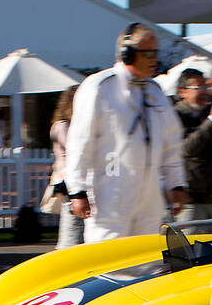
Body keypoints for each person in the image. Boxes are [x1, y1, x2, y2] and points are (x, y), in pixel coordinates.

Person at [64, 23, 186, 241]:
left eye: (156, 53)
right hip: (110, 194)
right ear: (127, 54)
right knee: (107, 263)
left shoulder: (155, 91)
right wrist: (77, 190)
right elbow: (80, 142)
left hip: (149, 198)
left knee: (146, 261)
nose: (154, 59)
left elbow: (172, 144)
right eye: (147, 53)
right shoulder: (100, 87)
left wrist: (176, 184)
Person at [172, 68, 212, 221]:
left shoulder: (209, 113)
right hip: (190, 200)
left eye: (206, 87)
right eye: (199, 88)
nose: (205, 92)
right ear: (182, 91)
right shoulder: (175, 115)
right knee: (190, 244)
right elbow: (186, 149)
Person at [43, 85, 84, 249]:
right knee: (72, 229)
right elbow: (75, 150)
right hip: (68, 182)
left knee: (79, 228)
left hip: (74, 180)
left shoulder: (69, 125)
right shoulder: (61, 126)